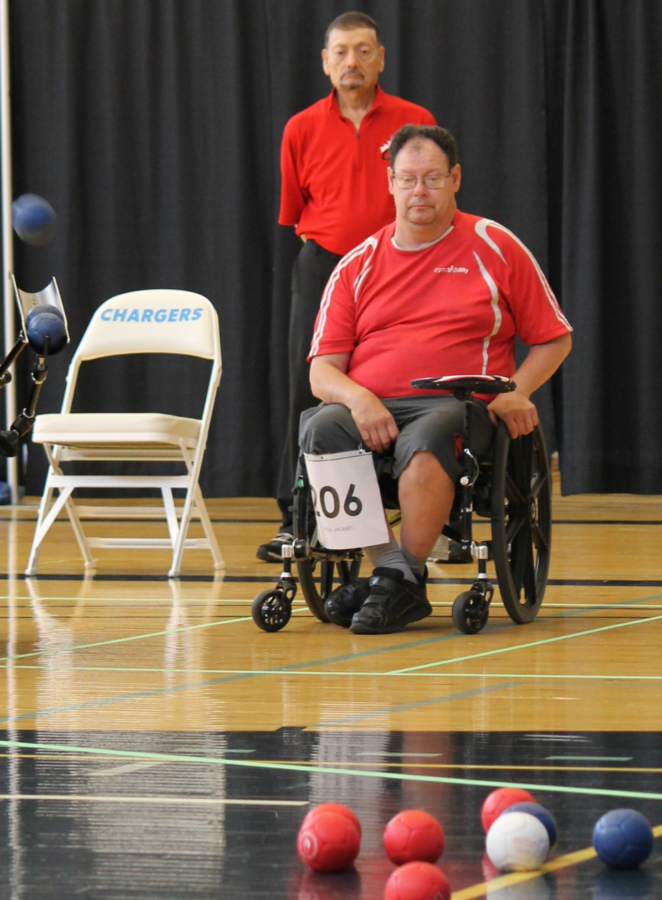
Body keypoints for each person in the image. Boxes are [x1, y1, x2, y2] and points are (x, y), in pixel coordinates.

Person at [301, 124, 572, 634]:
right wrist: (360, 400)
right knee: (321, 428)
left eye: (431, 179)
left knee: (428, 438)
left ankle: (392, 579)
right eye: (408, 180)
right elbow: (321, 371)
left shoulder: (495, 245)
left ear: (455, 179)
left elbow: (555, 338)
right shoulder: (357, 264)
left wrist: (515, 391)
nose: (419, 191)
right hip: (371, 406)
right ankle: (396, 572)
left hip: (457, 404)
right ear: (390, 183)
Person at [261, 12, 437, 562]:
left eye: (363, 51)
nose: (351, 63)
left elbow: (426, 201)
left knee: (411, 380)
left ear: (380, 58)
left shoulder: (414, 121)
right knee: (307, 386)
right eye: (341, 53)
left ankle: (427, 516)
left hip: (400, 267)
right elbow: (296, 214)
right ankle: (300, 519)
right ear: (325, 62)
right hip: (325, 267)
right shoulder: (301, 128)